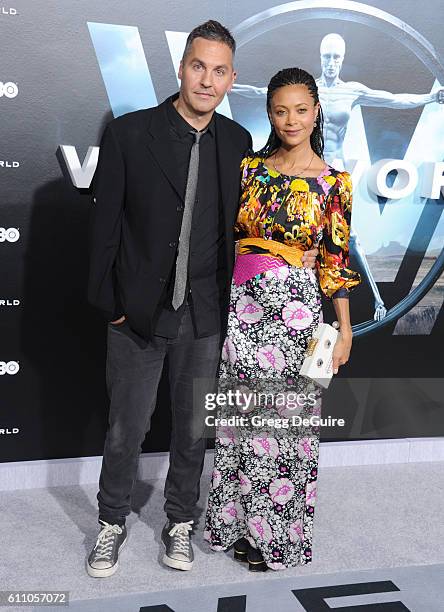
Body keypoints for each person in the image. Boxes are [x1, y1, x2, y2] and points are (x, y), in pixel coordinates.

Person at [86, 21, 319, 577]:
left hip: (208, 315)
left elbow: (260, 217)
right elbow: (103, 230)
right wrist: (112, 304)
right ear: (182, 67)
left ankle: (180, 522)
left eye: (219, 71)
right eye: (198, 66)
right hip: (137, 314)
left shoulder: (238, 143)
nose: (207, 80)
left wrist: (297, 253)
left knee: (194, 429)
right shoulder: (129, 134)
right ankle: (111, 521)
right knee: (127, 427)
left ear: (232, 78)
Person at [204, 67, 362, 571]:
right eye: (279, 110)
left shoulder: (336, 184)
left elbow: (335, 263)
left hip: (298, 318)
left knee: (288, 430)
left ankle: (278, 539)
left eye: (300, 109)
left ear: (316, 112)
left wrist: (344, 330)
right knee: (241, 425)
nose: (290, 119)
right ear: (269, 114)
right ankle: (239, 526)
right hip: (244, 309)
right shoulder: (249, 169)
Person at [232, 34, 442, 322]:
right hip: (246, 300)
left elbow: (393, 100)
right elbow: (257, 92)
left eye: (336, 57)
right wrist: (225, 86)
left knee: (348, 241)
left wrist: (430, 97)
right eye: (327, 56)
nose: (331, 63)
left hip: (328, 173)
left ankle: (375, 302)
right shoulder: (298, 97)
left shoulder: (351, 92)